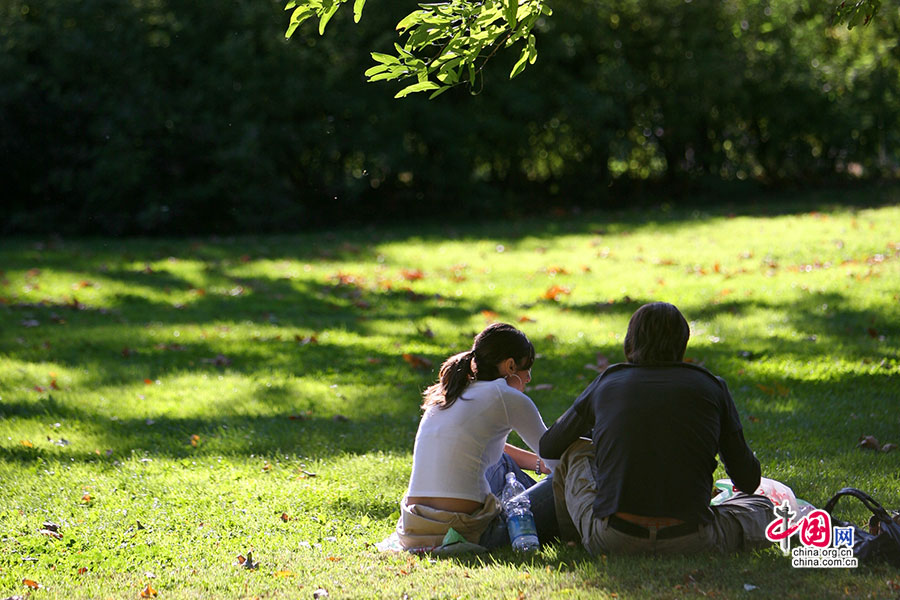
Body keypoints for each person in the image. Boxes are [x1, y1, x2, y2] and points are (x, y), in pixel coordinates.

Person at [539, 302, 773, 555]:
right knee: (764, 506)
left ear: (629, 344)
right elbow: (748, 481)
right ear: (683, 345)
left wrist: (598, 435)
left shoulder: (607, 382)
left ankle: (573, 541)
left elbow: (550, 445)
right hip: (694, 538)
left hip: (612, 538)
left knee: (575, 449)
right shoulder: (711, 387)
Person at [395, 323, 559, 550]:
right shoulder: (505, 396)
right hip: (471, 532)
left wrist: (540, 464)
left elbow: (487, 448)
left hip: (416, 529)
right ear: (510, 365)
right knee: (563, 482)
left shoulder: (451, 394)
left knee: (503, 461)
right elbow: (560, 460)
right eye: (527, 369)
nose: (529, 378)